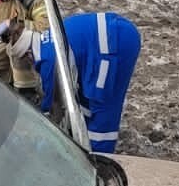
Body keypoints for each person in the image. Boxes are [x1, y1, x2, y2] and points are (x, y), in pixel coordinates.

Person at [35, 13, 143, 153]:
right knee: (87, 99)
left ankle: (100, 161)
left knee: (102, 109)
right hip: (106, 41)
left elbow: (53, 105)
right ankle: (84, 143)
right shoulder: (46, 39)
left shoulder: (47, 60)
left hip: (113, 47)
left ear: (26, 54)